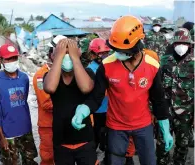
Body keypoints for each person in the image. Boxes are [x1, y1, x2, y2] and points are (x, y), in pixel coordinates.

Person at [73, 15, 173, 165]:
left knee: (149, 161)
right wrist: (83, 110)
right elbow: (96, 97)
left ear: (136, 46)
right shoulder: (106, 66)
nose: (116, 53)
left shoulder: (152, 65)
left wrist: (165, 128)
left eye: (121, 50)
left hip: (143, 125)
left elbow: (158, 99)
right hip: (116, 127)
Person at [44, 39, 98, 165]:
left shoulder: (87, 73)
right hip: (61, 141)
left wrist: (75, 57)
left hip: (85, 139)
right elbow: (50, 87)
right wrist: (58, 57)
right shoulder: (50, 76)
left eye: (70, 53)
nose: (66, 56)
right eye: (63, 53)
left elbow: (86, 88)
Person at [86, 38, 136, 165]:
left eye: (106, 53)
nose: (104, 56)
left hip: (112, 110)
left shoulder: (112, 66)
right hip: (98, 112)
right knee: (97, 138)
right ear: (93, 54)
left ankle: (111, 159)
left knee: (112, 139)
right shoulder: (90, 70)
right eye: (101, 53)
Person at [0, 44, 38, 165]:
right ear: (1, 60)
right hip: (9, 134)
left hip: (25, 130)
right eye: (8, 59)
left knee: (30, 160)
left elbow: (23, 101)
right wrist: (2, 138)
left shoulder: (24, 78)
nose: (12, 61)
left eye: (14, 58)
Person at [157, 28, 194, 165]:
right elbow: (157, 87)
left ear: (190, 45)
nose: (181, 46)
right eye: (178, 42)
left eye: (184, 43)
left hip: (186, 113)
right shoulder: (164, 61)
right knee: (162, 144)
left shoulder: (193, 63)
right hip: (165, 112)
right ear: (173, 44)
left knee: (182, 146)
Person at [33, 35, 66, 165]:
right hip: (49, 126)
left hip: (64, 124)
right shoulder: (41, 76)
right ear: (51, 54)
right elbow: (46, 103)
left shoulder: (68, 72)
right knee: (48, 157)